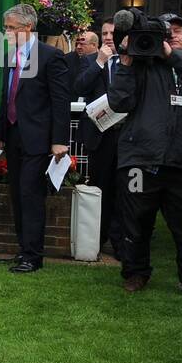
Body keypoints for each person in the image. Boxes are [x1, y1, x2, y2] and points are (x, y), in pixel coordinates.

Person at [107, 24, 182, 293]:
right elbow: (119, 102)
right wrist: (126, 63)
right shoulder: (140, 65)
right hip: (139, 160)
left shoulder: (181, 66)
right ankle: (135, 273)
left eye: (179, 34)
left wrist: (170, 56)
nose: (173, 39)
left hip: (180, 162)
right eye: (168, 35)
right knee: (136, 221)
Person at [0, 3, 70, 273]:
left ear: (28, 28)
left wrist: (59, 140)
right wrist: (0, 134)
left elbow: (61, 101)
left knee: (30, 195)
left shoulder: (50, 56)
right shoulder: (10, 56)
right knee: (17, 194)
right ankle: (23, 249)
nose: (7, 32)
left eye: (11, 28)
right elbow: (7, 97)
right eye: (6, 28)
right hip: (13, 136)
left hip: (38, 139)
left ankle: (33, 256)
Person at [74, 19, 125, 259]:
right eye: (104, 33)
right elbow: (80, 87)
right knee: (100, 188)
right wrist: (99, 62)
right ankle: (98, 238)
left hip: (126, 138)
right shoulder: (90, 62)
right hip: (99, 136)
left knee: (123, 191)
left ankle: (120, 242)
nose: (107, 37)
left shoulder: (132, 61)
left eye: (112, 33)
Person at [66, 30, 100, 100]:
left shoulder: (103, 60)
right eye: (77, 44)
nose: (78, 47)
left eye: (82, 44)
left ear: (94, 45)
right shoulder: (67, 59)